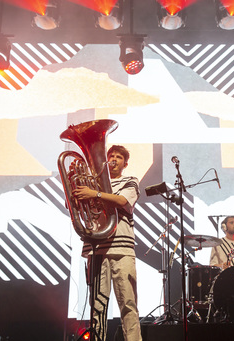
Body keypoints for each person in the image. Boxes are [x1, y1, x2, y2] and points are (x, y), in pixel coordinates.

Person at [72, 145, 142, 341]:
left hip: (122, 248)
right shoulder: (92, 184)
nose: (113, 159)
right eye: (111, 155)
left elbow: (122, 202)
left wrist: (93, 194)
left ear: (125, 163)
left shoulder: (130, 181)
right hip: (96, 249)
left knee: (128, 304)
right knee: (97, 306)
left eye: (119, 157)